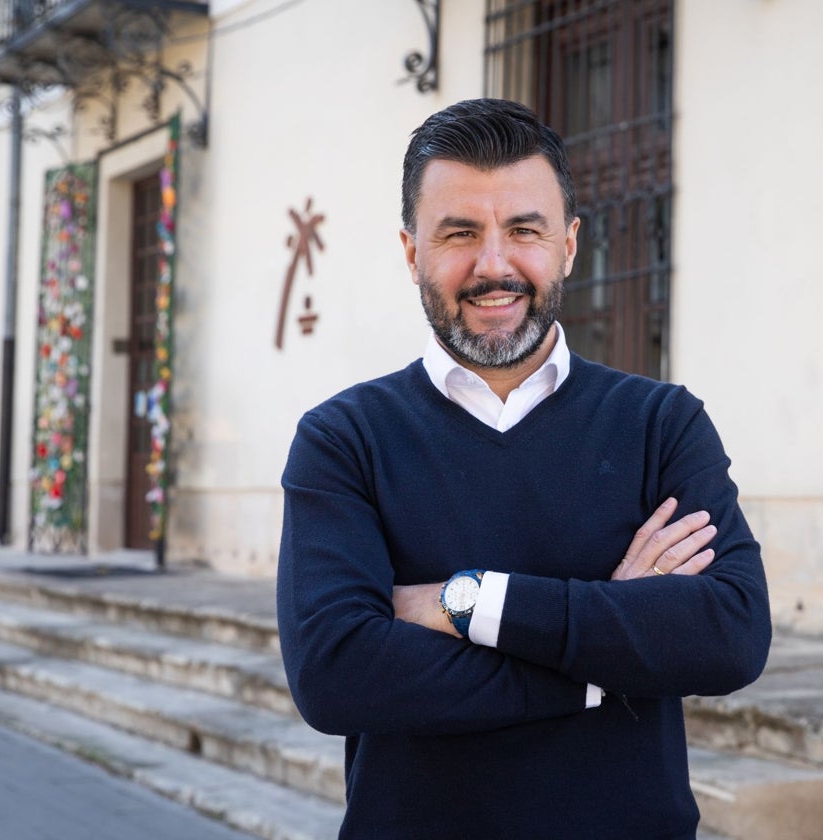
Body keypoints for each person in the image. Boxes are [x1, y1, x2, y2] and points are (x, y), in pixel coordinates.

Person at [276, 98, 770, 839]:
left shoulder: (662, 424)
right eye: (460, 233)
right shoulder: (344, 440)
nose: (494, 264)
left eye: (524, 230)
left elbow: (729, 634)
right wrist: (607, 660)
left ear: (569, 244)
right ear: (412, 252)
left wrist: (468, 603)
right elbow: (338, 675)